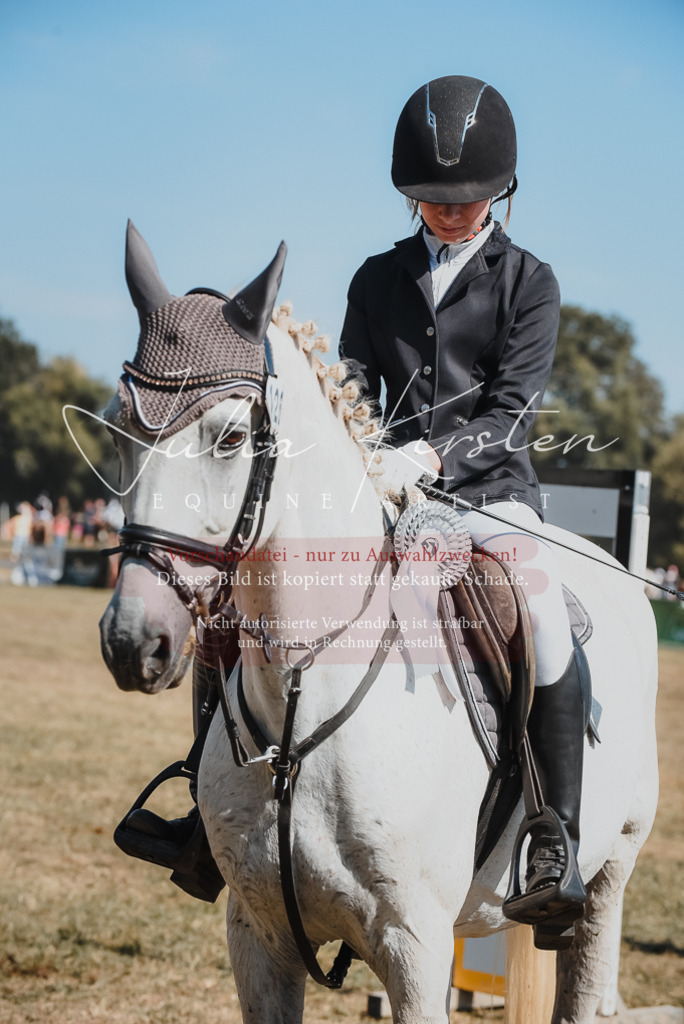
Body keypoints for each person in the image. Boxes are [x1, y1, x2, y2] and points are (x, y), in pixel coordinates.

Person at [339, 75, 588, 930]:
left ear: (502, 190)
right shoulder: (376, 279)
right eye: (434, 198)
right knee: (272, 583)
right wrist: (364, 446)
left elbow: (513, 409)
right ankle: (207, 800)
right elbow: (352, 385)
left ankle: (554, 836)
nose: (449, 212)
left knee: (543, 614)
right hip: (385, 495)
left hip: (491, 498)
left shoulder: (530, 281)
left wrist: (429, 454)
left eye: (468, 198)